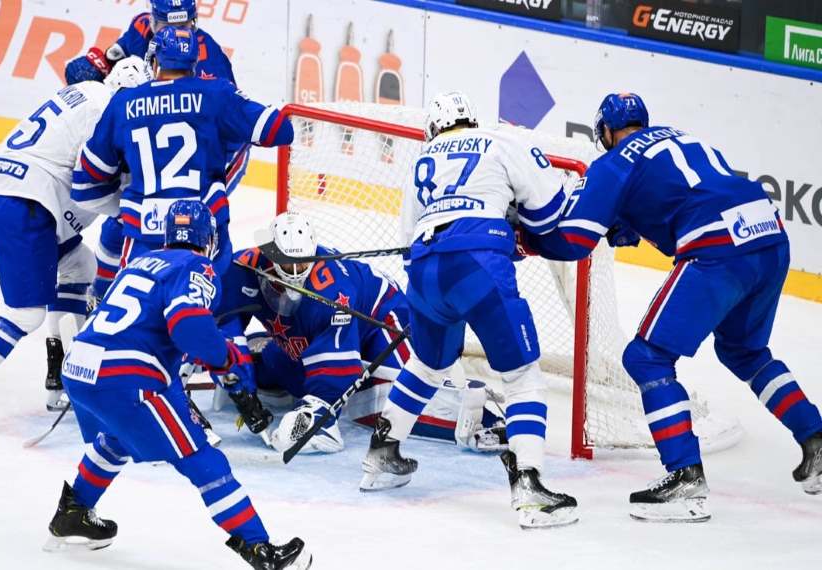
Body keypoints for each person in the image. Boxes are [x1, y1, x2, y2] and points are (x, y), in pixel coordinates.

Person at [523, 92, 822, 522]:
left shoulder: (614, 162)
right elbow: (678, 198)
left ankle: (685, 478)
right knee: (744, 351)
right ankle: (815, 439)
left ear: (605, 131)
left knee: (646, 357)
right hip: (770, 235)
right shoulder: (683, 138)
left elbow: (573, 240)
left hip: (719, 249)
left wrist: (524, 240)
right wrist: (630, 224)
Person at [44, 201, 311, 570]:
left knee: (119, 436)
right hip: (126, 376)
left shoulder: (139, 262)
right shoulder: (196, 266)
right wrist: (226, 358)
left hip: (79, 369)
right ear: (208, 239)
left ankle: (74, 511)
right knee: (201, 457)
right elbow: (188, 325)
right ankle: (258, 548)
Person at [359, 91, 579, 529]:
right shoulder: (500, 139)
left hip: (425, 270)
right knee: (521, 375)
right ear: (471, 120)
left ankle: (381, 456)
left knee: (427, 363)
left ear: (434, 129)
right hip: (478, 263)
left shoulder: (423, 158)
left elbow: (407, 243)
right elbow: (549, 211)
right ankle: (530, 486)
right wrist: (516, 230)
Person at [0, 58, 152, 431]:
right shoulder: (106, 113)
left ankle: (62, 375)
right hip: (26, 206)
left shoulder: (87, 93)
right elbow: (89, 188)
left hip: (13, 195)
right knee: (26, 313)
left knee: (79, 265)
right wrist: (131, 209)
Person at [214, 212, 499, 455]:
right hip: (304, 334)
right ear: (272, 252)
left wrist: (320, 411)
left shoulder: (333, 291)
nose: (295, 269)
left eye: (301, 262)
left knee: (401, 393)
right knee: (271, 369)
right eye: (287, 262)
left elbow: (339, 371)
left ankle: (483, 418)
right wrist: (236, 369)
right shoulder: (245, 265)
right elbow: (223, 319)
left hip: (381, 319)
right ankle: (271, 357)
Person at [71, 26, 292, 278]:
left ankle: (101, 297)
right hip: (205, 232)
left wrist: (124, 204)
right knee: (206, 298)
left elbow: (87, 179)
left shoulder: (123, 102)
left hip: (145, 232)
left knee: (137, 295)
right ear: (194, 62)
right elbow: (280, 130)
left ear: (155, 62)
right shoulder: (217, 93)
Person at [66, 0, 250, 303]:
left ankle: (198, 298)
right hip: (159, 148)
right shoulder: (140, 29)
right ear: (152, 21)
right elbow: (113, 66)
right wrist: (93, 67)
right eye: (167, 25)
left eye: (184, 25)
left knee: (194, 227)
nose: (176, 32)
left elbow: (232, 123)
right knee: (120, 225)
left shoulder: (209, 58)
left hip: (211, 157)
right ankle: (103, 296)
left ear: (194, 22)